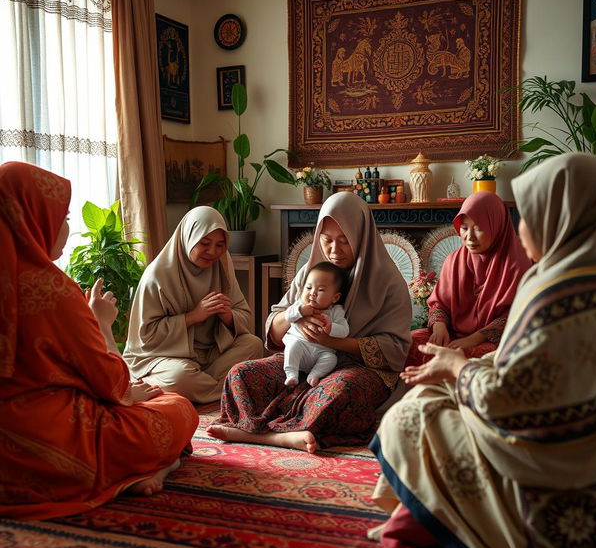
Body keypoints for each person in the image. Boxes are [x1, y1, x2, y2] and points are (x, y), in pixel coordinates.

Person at [370, 153, 596, 548]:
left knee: (414, 412)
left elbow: (507, 398)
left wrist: (458, 366)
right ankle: (419, 514)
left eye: (528, 216)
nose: (522, 229)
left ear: (561, 220)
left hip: (558, 483)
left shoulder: (553, 289)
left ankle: (438, 522)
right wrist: (452, 346)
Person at [0, 161, 199, 520]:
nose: (67, 228)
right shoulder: (50, 289)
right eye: (63, 218)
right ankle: (145, 469)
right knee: (177, 406)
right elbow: (111, 383)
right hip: (55, 446)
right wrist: (103, 324)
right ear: (34, 216)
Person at [207, 191, 412, 453]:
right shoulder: (312, 272)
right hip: (303, 357)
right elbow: (273, 327)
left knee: (340, 392)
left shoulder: (388, 281)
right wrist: (297, 316)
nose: (334, 251)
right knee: (241, 374)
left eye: (344, 241)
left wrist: (332, 340)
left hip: (358, 368)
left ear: (361, 237)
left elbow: (394, 349)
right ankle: (284, 434)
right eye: (326, 240)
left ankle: (262, 434)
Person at [123, 206, 263, 404]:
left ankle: (203, 387)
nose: (212, 252)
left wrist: (228, 316)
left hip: (209, 355)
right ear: (188, 237)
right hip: (163, 358)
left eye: (220, 245)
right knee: (180, 377)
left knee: (253, 344)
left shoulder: (222, 265)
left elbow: (245, 317)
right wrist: (194, 316)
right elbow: (146, 337)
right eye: (205, 243)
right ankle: (227, 387)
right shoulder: (158, 276)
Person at [405, 191, 531, 367]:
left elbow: (516, 316)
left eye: (479, 228)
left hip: (495, 339)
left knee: (471, 356)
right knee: (407, 343)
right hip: (453, 334)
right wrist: (439, 326)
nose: (469, 237)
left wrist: (474, 339)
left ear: (497, 226)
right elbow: (439, 303)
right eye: (464, 228)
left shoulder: (517, 263)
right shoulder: (455, 259)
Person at [283, 261, 349, 387]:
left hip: (321, 352)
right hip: (301, 347)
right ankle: (291, 374)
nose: (313, 293)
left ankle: (314, 375)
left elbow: (345, 331)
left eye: (321, 290)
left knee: (331, 359)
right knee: (293, 345)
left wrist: (331, 328)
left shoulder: (336, 311)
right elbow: (288, 316)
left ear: (335, 298)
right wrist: (300, 311)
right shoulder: (300, 304)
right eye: (308, 288)